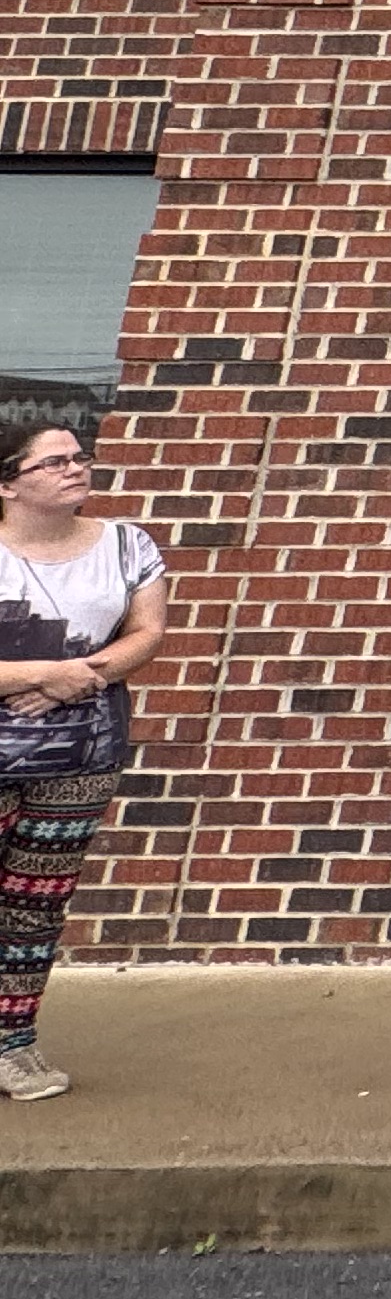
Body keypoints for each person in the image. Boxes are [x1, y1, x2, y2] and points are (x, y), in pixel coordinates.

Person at [0, 416, 168, 1103]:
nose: (76, 468)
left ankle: (12, 1047)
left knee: (34, 908)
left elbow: (147, 631)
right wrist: (41, 674)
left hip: (80, 759)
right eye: (54, 462)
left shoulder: (127, 546)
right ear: (8, 483)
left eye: (80, 457)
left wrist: (81, 675)